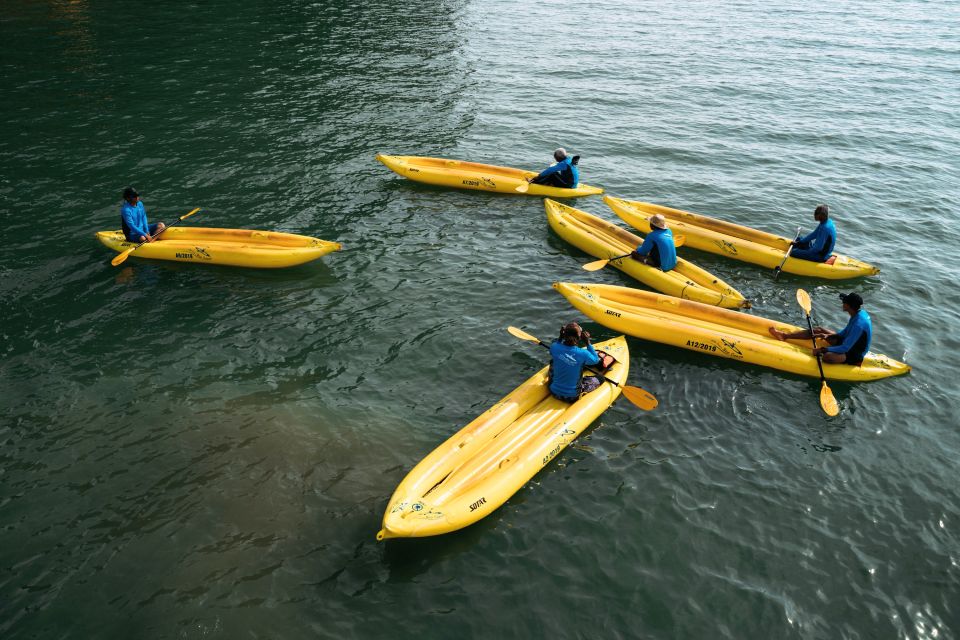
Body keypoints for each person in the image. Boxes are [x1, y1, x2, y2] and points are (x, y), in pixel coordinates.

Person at [768, 292, 872, 365]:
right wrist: (828, 335)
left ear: (849, 306)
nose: (842, 303)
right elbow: (844, 333)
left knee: (827, 357)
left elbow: (846, 348)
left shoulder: (859, 323)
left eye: (844, 301)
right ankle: (784, 336)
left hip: (853, 353)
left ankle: (849, 361)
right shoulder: (857, 313)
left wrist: (822, 350)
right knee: (819, 330)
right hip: (847, 342)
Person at [548, 322, 601, 402]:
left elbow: (555, 344)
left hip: (553, 391)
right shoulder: (583, 353)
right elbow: (596, 360)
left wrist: (560, 337)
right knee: (600, 378)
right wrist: (588, 342)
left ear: (564, 334)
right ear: (579, 337)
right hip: (572, 397)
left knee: (553, 361)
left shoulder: (555, 347)